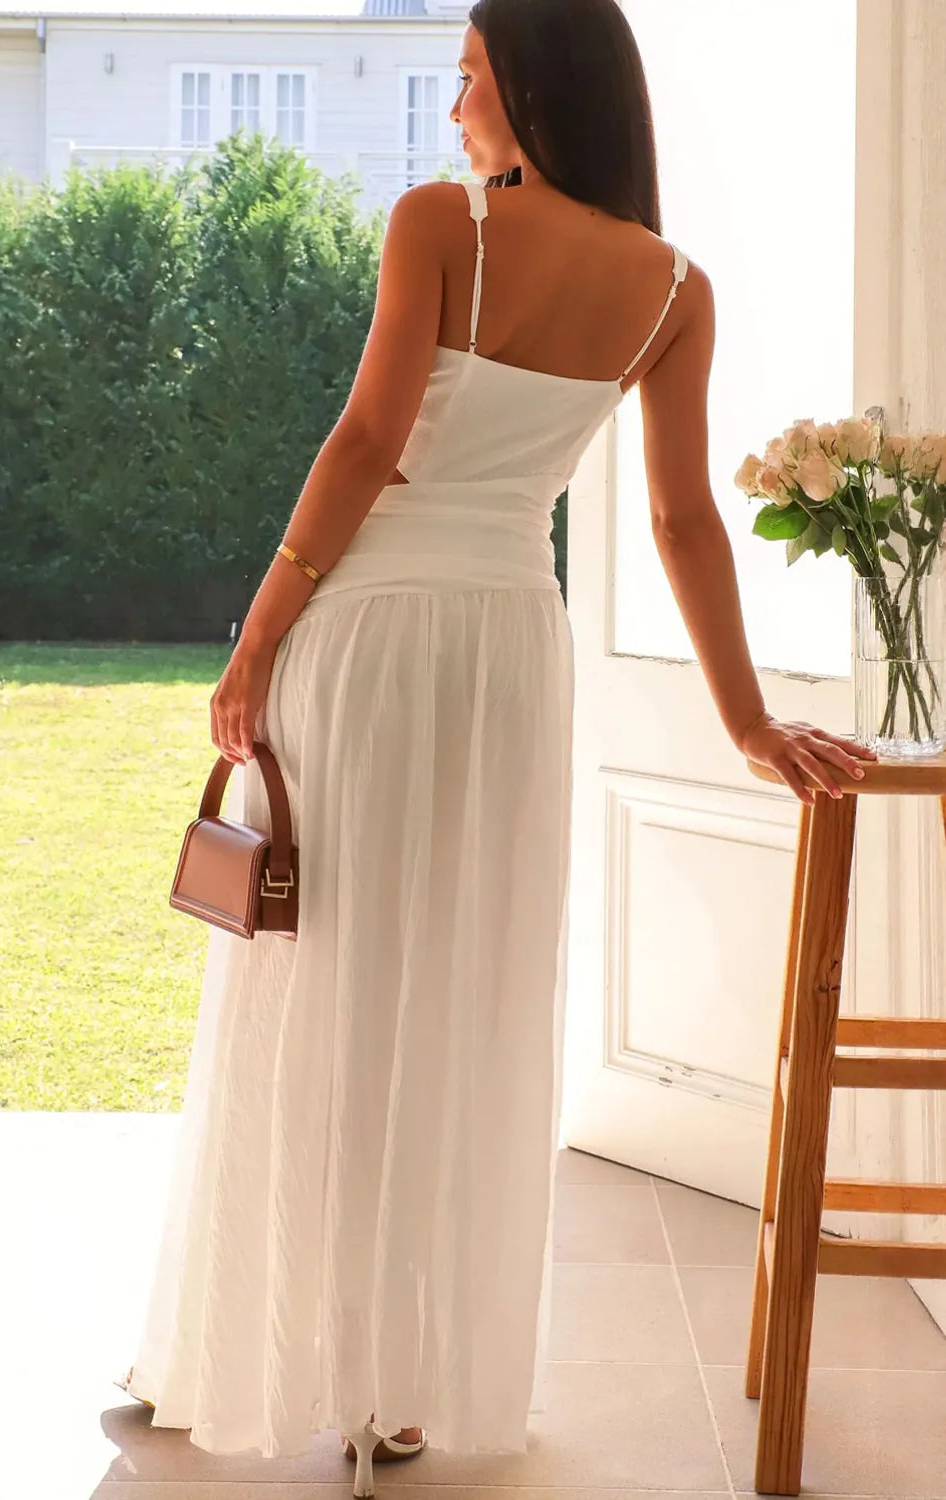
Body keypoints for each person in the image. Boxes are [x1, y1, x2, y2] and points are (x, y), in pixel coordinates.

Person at [116, 0, 877, 1493]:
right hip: (507, 657)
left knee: (320, 976)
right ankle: (405, 1387)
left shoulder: (437, 227)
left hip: (374, 636)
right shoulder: (671, 287)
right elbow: (675, 520)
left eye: (468, 76)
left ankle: (261, 1354)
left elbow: (361, 447)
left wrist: (257, 633)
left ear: (529, 84)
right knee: (462, 987)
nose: (454, 104)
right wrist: (741, 718)